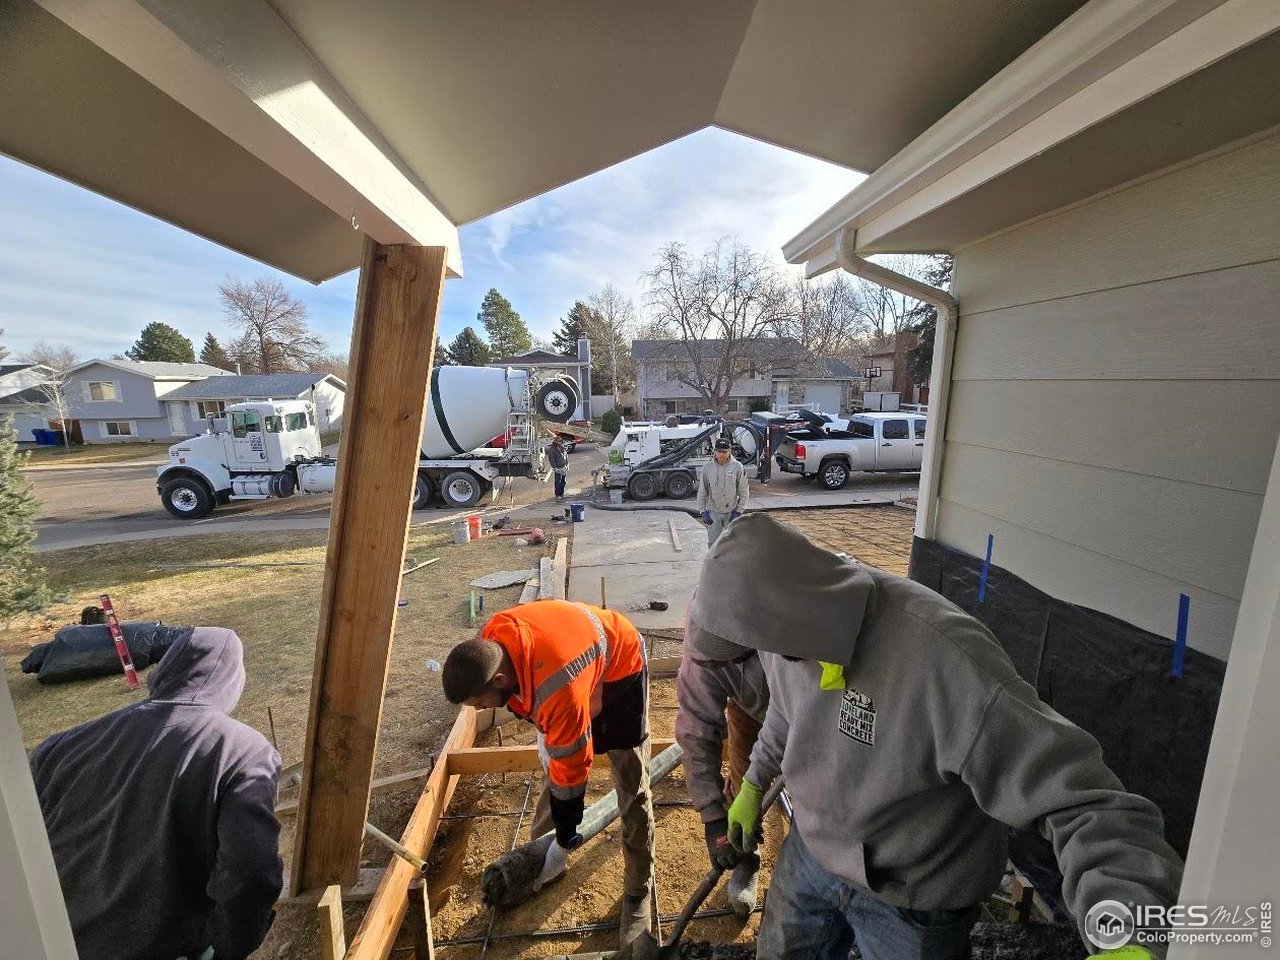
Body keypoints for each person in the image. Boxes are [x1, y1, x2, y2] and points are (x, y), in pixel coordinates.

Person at [689, 515, 1182, 960]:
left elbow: (1088, 804)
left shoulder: (947, 662)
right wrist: (753, 785)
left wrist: (1127, 934)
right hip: (812, 856)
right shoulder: (787, 638)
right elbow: (787, 710)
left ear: (791, 615)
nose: (762, 658)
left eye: (759, 648)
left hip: (915, 898)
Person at [30, 627, 283, 960]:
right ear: (232, 681)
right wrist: (230, 949)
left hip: (53, 941)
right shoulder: (242, 752)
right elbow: (250, 875)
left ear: (165, 669)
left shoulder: (60, 746)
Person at [442, 599, 655, 946]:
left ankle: (637, 892)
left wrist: (569, 824)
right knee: (554, 762)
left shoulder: (557, 688)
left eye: (479, 702)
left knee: (631, 781)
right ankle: (540, 861)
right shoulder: (493, 643)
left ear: (499, 678)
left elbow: (573, 763)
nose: (480, 710)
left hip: (620, 666)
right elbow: (556, 748)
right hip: (572, 663)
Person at [675, 594, 770, 918]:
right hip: (751, 707)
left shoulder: (793, 622)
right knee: (743, 783)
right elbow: (696, 730)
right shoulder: (701, 651)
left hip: (815, 709)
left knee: (816, 796)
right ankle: (746, 855)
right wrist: (713, 817)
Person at [698, 437, 749, 545]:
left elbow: (744, 493)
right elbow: (702, 491)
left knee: (731, 545)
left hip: (731, 514)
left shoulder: (737, 467)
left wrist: (738, 511)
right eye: (719, 451)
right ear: (715, 451)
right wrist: (703, 512)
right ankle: (714, 562)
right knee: (713, 544)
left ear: (729, 451)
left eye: (725, 452)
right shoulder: (707, 468)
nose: (722, 454)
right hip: (713, 514)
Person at [548, 434, 569, 501]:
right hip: (558, 468)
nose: (561, 442)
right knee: (558, 482)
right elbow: (551, 459)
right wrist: (554, 467)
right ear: (556, 442)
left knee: (564, 481)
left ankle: (562, 493)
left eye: (561, 441)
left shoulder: (562, 447)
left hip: (563, 467)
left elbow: (565, 456)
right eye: (560, 441)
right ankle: (558, 495)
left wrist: (567, 464)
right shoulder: (552, 449)